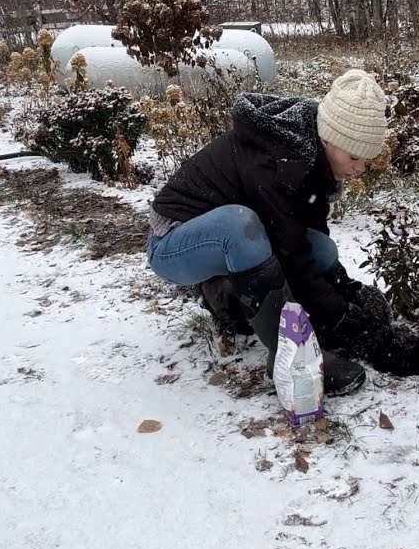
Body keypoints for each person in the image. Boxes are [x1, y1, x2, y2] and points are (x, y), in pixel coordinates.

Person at [145, 69, 391, 396]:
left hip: (222, 240)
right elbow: (289, 253)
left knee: (323, 251)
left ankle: (229, 300)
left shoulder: (314, 158)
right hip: (172, 244)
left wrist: (342, 295)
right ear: (330, 138)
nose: (359, 169)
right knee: (240, 225)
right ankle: (290, 360)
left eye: (366, 161)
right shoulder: (281, 162)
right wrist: (339, 316)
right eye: (355, 157)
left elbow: (306, 241)